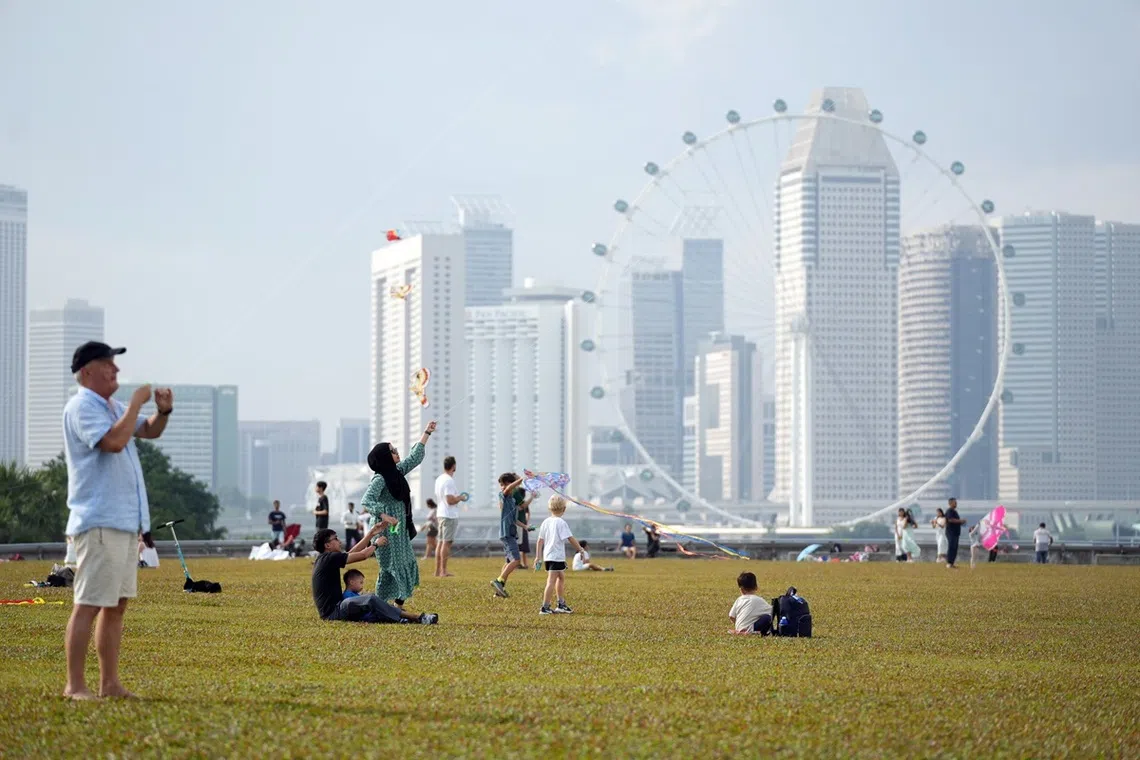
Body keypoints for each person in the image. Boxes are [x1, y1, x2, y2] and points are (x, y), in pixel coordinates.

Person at [61, 341, 173, 700]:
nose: (116, 370)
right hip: (98, 520)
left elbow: (148, 430)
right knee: (89, 602)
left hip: (123, 521)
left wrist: (163, 412)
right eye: (107, 364)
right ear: (86, 372)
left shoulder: (111, 407)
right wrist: (137, 403)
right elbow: (112, 442)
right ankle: (75, 685)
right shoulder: (82, 406)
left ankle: (109, 684)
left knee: (116, 604)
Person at [362, 422, 436, 608]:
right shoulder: (380, 479)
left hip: (399, 527)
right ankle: (380, 606)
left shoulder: (397, 472)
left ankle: (397, 606)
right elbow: (367, 500)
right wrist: (384, 515)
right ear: (385, 457)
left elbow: (414, 458)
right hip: (385, 530)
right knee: (391, 566)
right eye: (392, 451)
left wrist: (426, 432)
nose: (396, 452)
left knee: (407, 562)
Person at [311, 526, 437, 625]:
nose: (339, 541)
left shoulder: (326, 558)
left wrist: (370, 534)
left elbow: (353, 553)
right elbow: (363, 555)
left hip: (339, 608)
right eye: (335, 538)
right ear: (327, 545)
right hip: (334, 613)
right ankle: (417, 617)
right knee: (370, 599)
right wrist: (376, 544)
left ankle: (402, 618)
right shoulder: (329, 558)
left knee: (371, 601)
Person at [534, 495, 587, 614]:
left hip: (549, 556)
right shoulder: (561, 522)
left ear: (550, 508)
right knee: (551, 581)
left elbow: (540, 541)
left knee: (561, 577)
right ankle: (545, 607)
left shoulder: (546, 522)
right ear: (564, 509)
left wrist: (538, 556)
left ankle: (561, 604)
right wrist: (580, 549)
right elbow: (570, 538)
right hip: (556, 556)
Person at [490, 472, 526, 598]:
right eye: (501, 485)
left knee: (508, 562)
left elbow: (515, 519)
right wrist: (521, 479)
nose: (502, 487)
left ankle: (499, 590)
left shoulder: (513, 500)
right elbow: (509, 488)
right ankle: (498, 581)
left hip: (511, 533)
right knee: (516, 561)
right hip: (507, 534)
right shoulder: (503, 496)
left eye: (504, 484)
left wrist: (526, 527)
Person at [433, 456, 468, 577]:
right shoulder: (449, 480)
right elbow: (450, 500)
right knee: (446, 543)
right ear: (454, 466)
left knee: (440, 542)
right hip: (449, 515)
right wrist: (460, 498)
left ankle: (437, 571)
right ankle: (443, 571)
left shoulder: (439, 479)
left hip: (440, 513)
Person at [516, 487, 536, 569]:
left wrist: (526, 523)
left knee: (523, 546)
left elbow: (527, 513)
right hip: (519, 525)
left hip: (523, 525)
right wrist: (532, 497)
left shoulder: (522, 503)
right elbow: (524, 506)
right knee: (519, 546)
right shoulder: (517, 503)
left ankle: (524, 564)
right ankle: (518, 563)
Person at [944, 497, 965, 569]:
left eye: (956, 502)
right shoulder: (949, 511)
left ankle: (952, 563)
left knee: (955, 548)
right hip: (951, 532)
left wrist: (961, 522)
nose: (956, 503)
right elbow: (950, 520)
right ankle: (949, 563)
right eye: (954, 502)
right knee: (951, 547)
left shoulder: (954, 511)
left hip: (956, 532)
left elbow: (956, 520)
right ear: (950, 503)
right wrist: (960, 521)